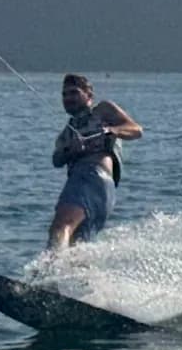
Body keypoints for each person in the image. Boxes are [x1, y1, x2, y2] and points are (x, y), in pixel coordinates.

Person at [48, 73, 142, 249]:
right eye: (64, 94)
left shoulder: (102, 111)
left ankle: (45, 272)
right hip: (101, 191)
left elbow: (136, 129)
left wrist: (111, 130)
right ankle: (70, 276)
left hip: (92, 177)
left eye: (74, 92)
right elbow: (57, 159)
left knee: (61, 226)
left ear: (89, 95)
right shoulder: (65, 135)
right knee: (76, 245)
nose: (68, 98)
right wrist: (70, 149)